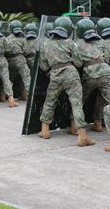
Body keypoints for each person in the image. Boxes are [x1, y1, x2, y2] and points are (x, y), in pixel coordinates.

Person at [38, 16, 95, 147]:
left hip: (55, 74)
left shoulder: (45, 43)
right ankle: (81, 135)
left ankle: (44, 130)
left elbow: (44, 66)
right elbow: (78, 63)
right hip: (71, 74)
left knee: (50, 101)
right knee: (77, 104)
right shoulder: (70, 43)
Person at [74, 18, 110, 133]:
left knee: (79, 100)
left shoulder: (78, 44)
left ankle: (75, 127)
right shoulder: (101, 41)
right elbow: (107, 58)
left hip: (89, 73)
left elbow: (78, 62)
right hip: (105, 71)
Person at [6, 20, 31, 100]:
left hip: (10, 61)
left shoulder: (7, 39)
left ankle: (8, 97)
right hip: (20, 60)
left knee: (9, 79)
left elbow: (5, 51)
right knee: (26, 78)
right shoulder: (23, 39)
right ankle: (30, 97)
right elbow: (27, 51)